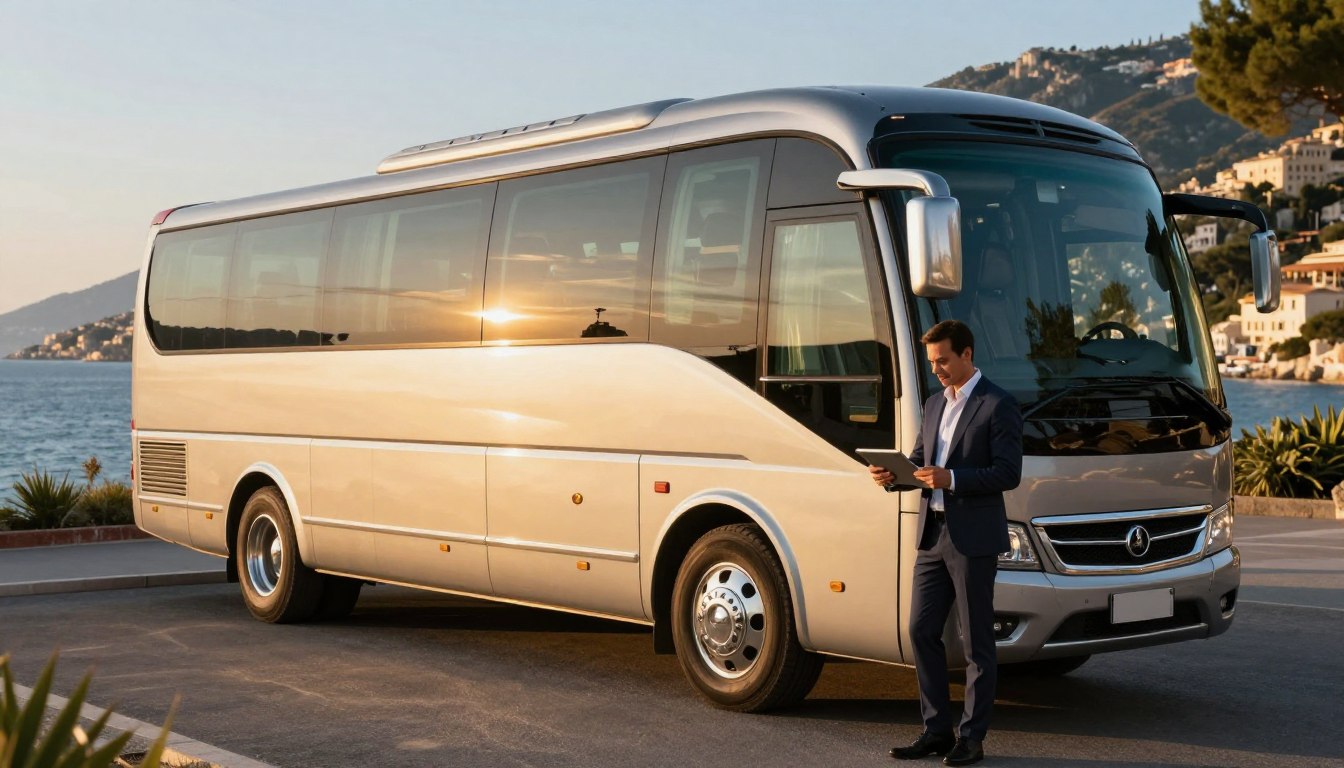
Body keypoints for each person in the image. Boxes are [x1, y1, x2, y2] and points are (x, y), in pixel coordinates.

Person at [869, 319, 1023, 766]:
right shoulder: (934, 404)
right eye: (932, 361)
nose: (936, 368)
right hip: (932, 535)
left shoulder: (999, 405)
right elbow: (920, 463)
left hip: (972, 539)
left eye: (943, 360)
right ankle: (935, 731)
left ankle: (971, 739)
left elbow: (1008, 473)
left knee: (976, 644)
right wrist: (892, 478)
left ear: (967, 354)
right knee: (920, 629)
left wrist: (952, 478)